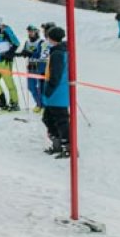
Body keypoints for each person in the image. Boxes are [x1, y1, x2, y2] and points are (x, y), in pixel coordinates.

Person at [42, 26, 70, 158]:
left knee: (61, 120)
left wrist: (48, 90)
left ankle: (67, 146)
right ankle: (57, 143)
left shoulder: (58, 53)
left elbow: (56, 75)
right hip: (56, 92)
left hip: (57, 92)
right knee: (48, 118)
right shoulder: (57, 51)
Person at [18, 24, 48, 113]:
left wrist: (30, 53)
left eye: (32, 31)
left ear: (36, 32)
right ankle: (38, 104)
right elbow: (25, 52)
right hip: (31, 65)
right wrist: (19, 54)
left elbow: (40, 54)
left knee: (40, 87)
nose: (30, 33)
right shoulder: (27, 42)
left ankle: (44, 105)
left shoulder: (41, 42)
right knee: (31, 86)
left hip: (40, 65)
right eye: (29, 32)